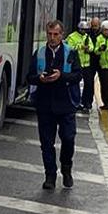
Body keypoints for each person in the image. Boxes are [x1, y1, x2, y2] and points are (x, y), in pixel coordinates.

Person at [27, 20, 83, 190]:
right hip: (45, 104)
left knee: (68, 138)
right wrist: (41, 79)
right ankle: (50, 175)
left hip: (66, 104)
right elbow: (29, 77)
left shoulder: (71, 53)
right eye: (50, 34)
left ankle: (66, 168)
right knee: (46, 143)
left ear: (62, 35)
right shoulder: (40, 53)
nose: (52, 38)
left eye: (56, 34)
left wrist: (62, 76)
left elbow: (78, 76)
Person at [66, 21, 95, 114]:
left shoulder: (87, 37)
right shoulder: (72, 37)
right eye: (83, 30)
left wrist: (88, 48)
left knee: (88, 84)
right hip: (76, 64)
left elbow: (92, 47)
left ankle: (85, 102)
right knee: (75, 84)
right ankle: (75, 102)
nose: (84, 31)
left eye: (86, 30)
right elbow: (69, 47)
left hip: (86, 64)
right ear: (79, 29)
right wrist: (80, 46)